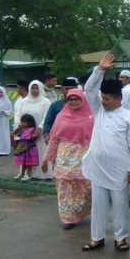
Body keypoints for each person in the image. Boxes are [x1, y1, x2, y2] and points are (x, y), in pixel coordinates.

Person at [81, 53, 130, 252]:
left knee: (120, 204)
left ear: (118, 98)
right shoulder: (99, 110)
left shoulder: (128, 117)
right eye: (102, 98)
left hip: (119, 169)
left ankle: (120, 238)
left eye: (107, 99)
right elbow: (89, 89)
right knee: (98, 206)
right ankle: (96, 238)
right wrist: (100, 70)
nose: (103, 101)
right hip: (98, 167)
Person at [42, 89, 93, 230]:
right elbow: (54, 139)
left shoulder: (90, 117)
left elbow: (96, 139)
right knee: (64, 187)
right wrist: (46, 158)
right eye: (71, 99)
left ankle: (80, 212)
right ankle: (67, 218)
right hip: (63, 157)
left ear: (82, 100)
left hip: (83, 157)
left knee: (84, 187)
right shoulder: (61, 116)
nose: (74, 102)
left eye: (77, 99)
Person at [16, 81, 52, 180]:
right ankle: (26, 174)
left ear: (40, 89)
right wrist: (19, 126)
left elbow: (47, 116)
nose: (34, 90)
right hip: (26, 133)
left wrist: (40, 127)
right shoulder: (24, 101)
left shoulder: (45, 102)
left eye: (36, 88)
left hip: (39, 132)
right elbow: (19, 114)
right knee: (25, 152)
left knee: (41, 151)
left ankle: (43, 174)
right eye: (32, 88)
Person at [12, 114, 40, 180]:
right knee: (22, 163)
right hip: (22, 148)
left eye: (24, 122)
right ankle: (21, 174)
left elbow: (34, 137)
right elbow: (15, 134)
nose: (22, 123)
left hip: (29, 148)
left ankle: (28, 175)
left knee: (28, 163)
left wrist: (30, 137)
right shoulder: (22, 129)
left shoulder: (32, 129)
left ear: (29, 122)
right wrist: (18, 128)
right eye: (21, 121)